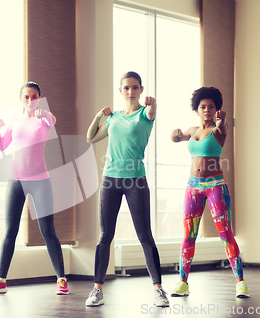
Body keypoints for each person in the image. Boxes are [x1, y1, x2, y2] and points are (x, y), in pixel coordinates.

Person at [85, 71, 169, 307]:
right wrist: (98, 117)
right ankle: (97, 289)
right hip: (110, 180)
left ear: (141, 90)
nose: (130, 91)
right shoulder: (113, 118)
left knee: (145, 236)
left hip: (135, 181)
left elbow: (152, 112)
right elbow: (91, 138)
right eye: (126, 88)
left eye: (134, 87)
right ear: (120, 91)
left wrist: (152, 105)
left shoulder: (145, 114)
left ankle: (158, 289)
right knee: (105, 236)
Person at [0, 82, 68, 295]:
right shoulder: (15, 123)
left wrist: (45, 115)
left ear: (40, 97)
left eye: (34, 97)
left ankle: (61, 279)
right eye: (26, 97)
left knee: (47, 231)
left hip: (41, 180)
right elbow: (2, 146)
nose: (30, 101)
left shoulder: (45, 119)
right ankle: (1, 280)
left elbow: (52, 121)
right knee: (9, 232)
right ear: (21, 99)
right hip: (16, 181)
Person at [169, 86, 249, 298]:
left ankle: (240, 282)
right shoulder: (193, 130)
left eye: (211, 107)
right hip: (193, 187)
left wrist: (222, 121)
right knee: (189, 235)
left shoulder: (217, 129)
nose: (207, 110)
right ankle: (182, 282)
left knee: (225, 234)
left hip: (215, 187)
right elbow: (176, 138)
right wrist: (174, 135)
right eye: (203, 107)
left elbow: (223, 128)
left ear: (216, 109)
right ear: (196, 109)